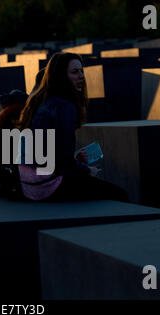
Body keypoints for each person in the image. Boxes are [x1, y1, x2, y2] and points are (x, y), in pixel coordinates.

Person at [15, 52, 128, 202]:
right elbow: (63, 162)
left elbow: (49, 154)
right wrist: (88, 170)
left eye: (82, 71)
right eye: (75, 72)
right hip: (47, 186)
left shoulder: (40, 101)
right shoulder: (64, 106)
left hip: (28, 184)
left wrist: (74, 157)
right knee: (119, 195)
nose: (81, 76)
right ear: (61, 77)